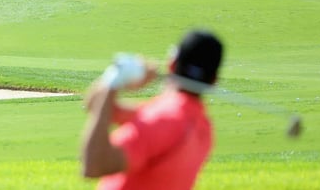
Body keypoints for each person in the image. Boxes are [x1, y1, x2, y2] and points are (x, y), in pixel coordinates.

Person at [80, 29, 224, 190]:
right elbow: (95, 103)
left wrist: (115, 80)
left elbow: (94, 165)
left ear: (172, 63)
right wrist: (114, 81)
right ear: (213, 81)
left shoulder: (163, 117)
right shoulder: (203, 127)